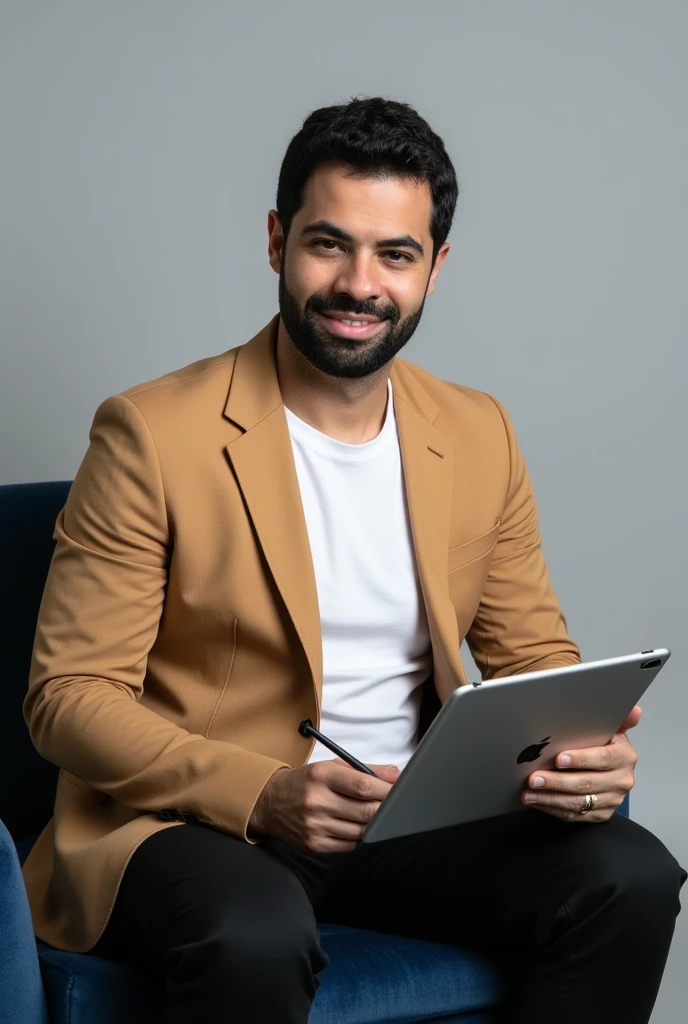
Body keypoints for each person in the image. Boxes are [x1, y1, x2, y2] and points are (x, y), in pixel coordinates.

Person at [22, 96, 685, 1024]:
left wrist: (586, 754)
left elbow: (534, 658)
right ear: (276, 240)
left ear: (435, 268)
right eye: (328, 243)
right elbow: (69, 698)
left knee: (632, 875)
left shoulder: (479, 430)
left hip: (407, 818)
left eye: (395, 254)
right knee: (254, 934)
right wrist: (266, 795)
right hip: (200, 822)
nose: (358, 283)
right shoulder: (151, 433)